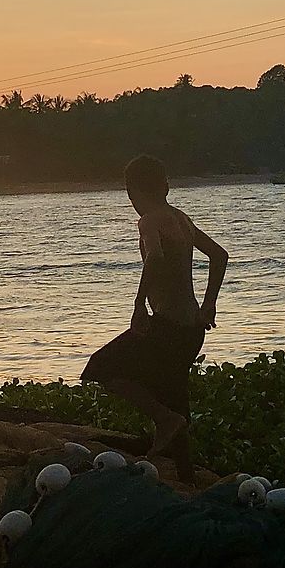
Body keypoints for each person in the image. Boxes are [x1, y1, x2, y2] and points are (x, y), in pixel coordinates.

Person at [81, 155, 229, 483]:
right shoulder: (181, 218)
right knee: (174, 397)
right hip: (192, 331)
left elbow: (155, 257)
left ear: (132, 192)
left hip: (168, 328)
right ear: (165, 185)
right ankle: (187, 477)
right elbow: (220, 256)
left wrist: (137, 305)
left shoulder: (148, 220)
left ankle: (162, 419)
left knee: (99, 368)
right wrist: (209, 305)